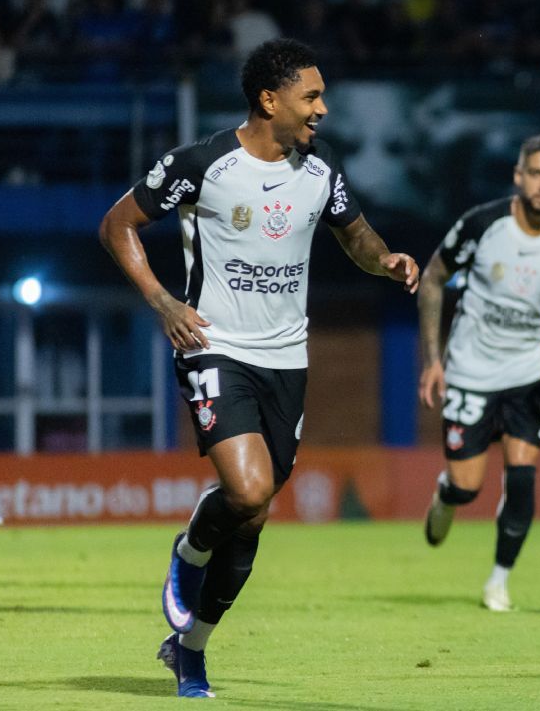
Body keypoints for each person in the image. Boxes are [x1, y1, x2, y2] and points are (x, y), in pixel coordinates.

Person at [99, 38, 418, 698]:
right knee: (247, 490)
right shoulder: (202, 164)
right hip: (214, 345)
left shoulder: (321, 167)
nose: (323, 109)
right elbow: (117, 225)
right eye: (312, 96)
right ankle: (190, 551)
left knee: (255, 511)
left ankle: (190, 649)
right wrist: (163, 301)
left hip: (287, 357)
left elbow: (356, 236)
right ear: (270, 100)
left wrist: (386, 260)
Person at [417, 133, 540, 612]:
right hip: (470, 370)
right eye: (535, 173)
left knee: (523, 477)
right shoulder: (482, 224)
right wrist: (433, 361)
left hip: (526, 372)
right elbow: (432, 279)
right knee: (467, 487)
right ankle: (447, 496)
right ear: (518, 176)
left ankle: (498, 581)